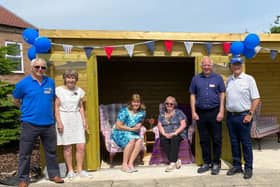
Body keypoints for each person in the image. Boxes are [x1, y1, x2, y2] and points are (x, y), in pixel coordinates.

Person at [13, 58, 64, 187]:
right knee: (25, 153)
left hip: (48, 123)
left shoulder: (50, 82)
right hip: (29, 123)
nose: (40, 70)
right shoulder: (22, 84)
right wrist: (26, 111)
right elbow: (16, 100)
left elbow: (53, 100)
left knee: (51, 151)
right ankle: (23, 179)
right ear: (32, 68)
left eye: (43, 67)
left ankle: (54, 175)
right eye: (37, 67)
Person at [189, 56, 225, 175]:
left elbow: (222, 94)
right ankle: (206, 163)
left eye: (208, 65)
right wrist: (193, 112)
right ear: (201, 66)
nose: (206, 67)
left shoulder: (218, 78)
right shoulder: (196, 79)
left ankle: (216, 163)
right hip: (201, 113)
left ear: (212, 66)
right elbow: (192, 95)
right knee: (204, 139)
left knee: (216, 139)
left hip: (215, 112)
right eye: (204, 65)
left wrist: (221, 111)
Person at [226, 56, 260, 179]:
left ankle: (248, 168)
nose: (236, 66)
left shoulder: (249, 79)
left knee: (245, 143)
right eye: (234, 64)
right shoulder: (229, 80)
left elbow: (256, 98)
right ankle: (236, 166)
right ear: (231, 66)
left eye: (238, 64)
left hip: (243, 116)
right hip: (230, 117)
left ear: (241, 65)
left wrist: (250, 114)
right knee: (234, 143)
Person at [55, 70, 91, 179]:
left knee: (81, 146)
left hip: (77, 118)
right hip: (64, 118)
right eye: (68, 77)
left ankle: (80, 170)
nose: (71, 80)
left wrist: (84, 121)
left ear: (76, 79)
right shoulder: (59, 90)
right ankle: (70, 171)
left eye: (73, 78)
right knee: (68, 147)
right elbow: (56, 107)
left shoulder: (79, 91)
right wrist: (59, 122)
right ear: (65, 79)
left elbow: (81, 107)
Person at [111, 94, 146, 173]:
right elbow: (118, 126)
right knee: (132, 139)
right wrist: (131, 129)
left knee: (140, 140)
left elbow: (140, 123)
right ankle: (124, 165)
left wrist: (138, 126)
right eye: (134, 102)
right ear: (130, 102)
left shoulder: (142, 113)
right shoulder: (124, 111)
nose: (136, 104)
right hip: (119, 132)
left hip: (131, 132)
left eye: (138, 102)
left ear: (140, 103)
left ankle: (130, 164)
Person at [157, 96, 187, 172]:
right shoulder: (162, 114)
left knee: (174, 139)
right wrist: (164, 133)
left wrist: (175, 133)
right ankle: (176, 160)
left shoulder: (179, 112)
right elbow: (159, 125)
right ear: (165, 104)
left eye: (171, 104)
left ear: (174, 104)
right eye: (167, 103)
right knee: (163, 140)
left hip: (178, 133)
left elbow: (183, 125)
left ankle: (172, 163)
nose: (169, 105)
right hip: (166, 133)